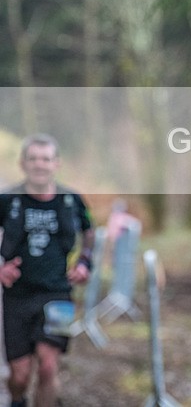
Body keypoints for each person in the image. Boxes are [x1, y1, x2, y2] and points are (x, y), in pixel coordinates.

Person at [0, 134, 94, 407]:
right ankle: (18, 400)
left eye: (46, 159)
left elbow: (89, 232)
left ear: (57, 164)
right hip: (17, 296)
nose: (39, 165)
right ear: (23, 163)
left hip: (58, 294)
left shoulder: (71, 200)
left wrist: (84, 262)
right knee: (19, 375)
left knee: (48, 367)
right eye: (33, 159)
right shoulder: (8, 200)